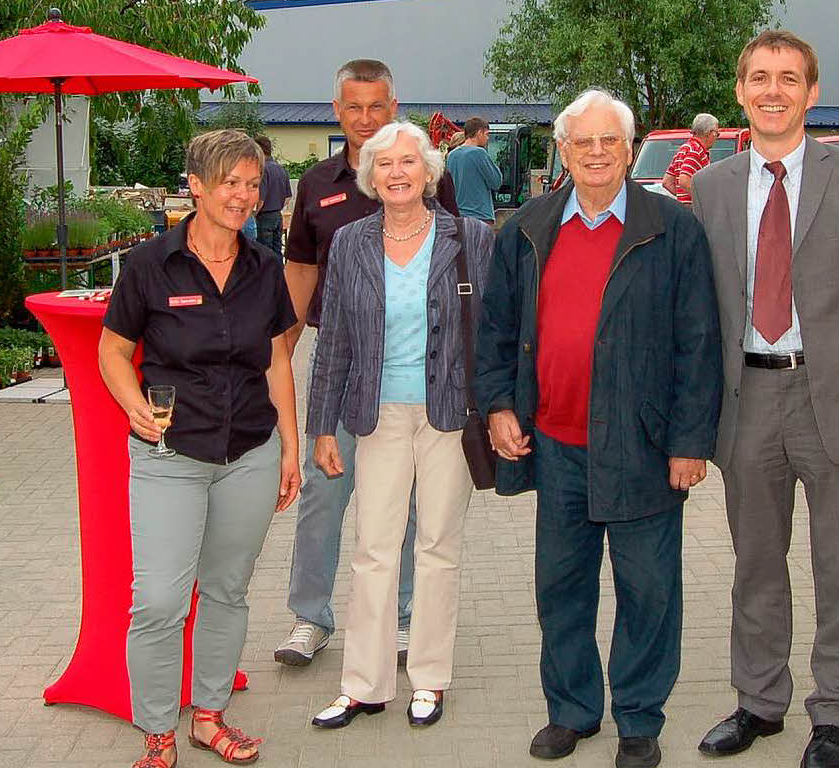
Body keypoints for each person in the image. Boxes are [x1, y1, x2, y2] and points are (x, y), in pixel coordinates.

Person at [690, 30, 839, 768]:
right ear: (740, 92)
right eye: (759, 77)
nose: (772, 90)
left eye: (788, 78)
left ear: (812, 92)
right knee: (756, 563)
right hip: (748, 400)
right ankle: (760, 701)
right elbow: (699, 310)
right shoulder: (712, 189)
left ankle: (835, 713)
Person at [475, 88, 722, 768]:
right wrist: (498, 406)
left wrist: (690, 442)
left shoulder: (672, 229)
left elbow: (699, 344)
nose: (595, 153)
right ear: (562, 151)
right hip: (555, 444)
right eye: (582, 142)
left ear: (631, 148)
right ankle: (573, 711)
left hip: (643, 446)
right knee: (561, 587)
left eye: (609, 141)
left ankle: (639, 719)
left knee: (650, 590)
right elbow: (495, 330)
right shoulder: (527, 228)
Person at [98, 129, 301, 768]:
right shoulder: (150, 264)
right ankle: (157, 729)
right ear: (197, 186)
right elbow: (112, 350)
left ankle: (209, 717)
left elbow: (276, 360)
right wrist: (133, 404)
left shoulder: (265, 267)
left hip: (248, 453)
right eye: (230, 183)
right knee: (159, 597)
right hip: (170, 457)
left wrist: (290, 448)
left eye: (252, 183)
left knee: (226, 591)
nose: (243, 196)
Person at [307, 121, 492, 729]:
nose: (396, 173)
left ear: (429, 171)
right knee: (373, 549)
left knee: (439, 546)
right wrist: (323, 427)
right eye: (384, 164)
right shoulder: (351, 243)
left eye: (408, 162)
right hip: (376, 414)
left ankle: (431, 679)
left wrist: (501, 410)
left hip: (448, 416)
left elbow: (494, 332)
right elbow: (332, 338)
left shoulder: (471, 238)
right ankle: (364, 683)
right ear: (369, 176)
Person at [277, 59, 459, 667]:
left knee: (404, 502)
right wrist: (281, 344)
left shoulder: (424, 172)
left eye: (375, 107)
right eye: (352, 108)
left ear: (393, 105)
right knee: (324, 493)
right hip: (341, 367)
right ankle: (310, 617)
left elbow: (456, 264)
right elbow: (302, 270)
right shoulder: (315, 184)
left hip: (414, 372)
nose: (364, 119)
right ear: (336, 111)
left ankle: (406, 617)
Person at [446, 116, 502, 223]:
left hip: (457, 216)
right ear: (479, 133)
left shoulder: (451, 156)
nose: (488, 138)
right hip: (479, 215)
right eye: (487, 134)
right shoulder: (479, 153)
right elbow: (496, 182)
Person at [660, 113, 719, 204]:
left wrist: (682, 198)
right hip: (694, 210)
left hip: (685, 209)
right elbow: (684, 180)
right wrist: (701, 200)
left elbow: (667, 182)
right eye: (716, 133)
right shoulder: (696, 151)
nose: (717, 137)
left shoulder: (684, 149)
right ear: (708, 133)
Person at [254, 134, 291, 260]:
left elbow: (261, 200)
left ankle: (267, 279)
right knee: (277, 253)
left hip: (264, 217)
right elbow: (287, 198)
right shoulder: (281, 169)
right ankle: (278, 278)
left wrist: (253, 215)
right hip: (278, 216)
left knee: (264, 254)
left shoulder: (263, 170)